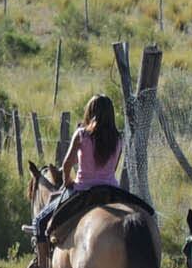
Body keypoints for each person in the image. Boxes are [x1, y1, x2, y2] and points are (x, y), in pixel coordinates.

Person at [30, 94, 133, 246]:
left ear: (90, 113)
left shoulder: (82, 135)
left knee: (39, 222)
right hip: (112, 191)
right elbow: (114, 167)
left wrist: (68, 181)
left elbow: (66, 164)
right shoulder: (118, 139)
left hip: (83, 190)